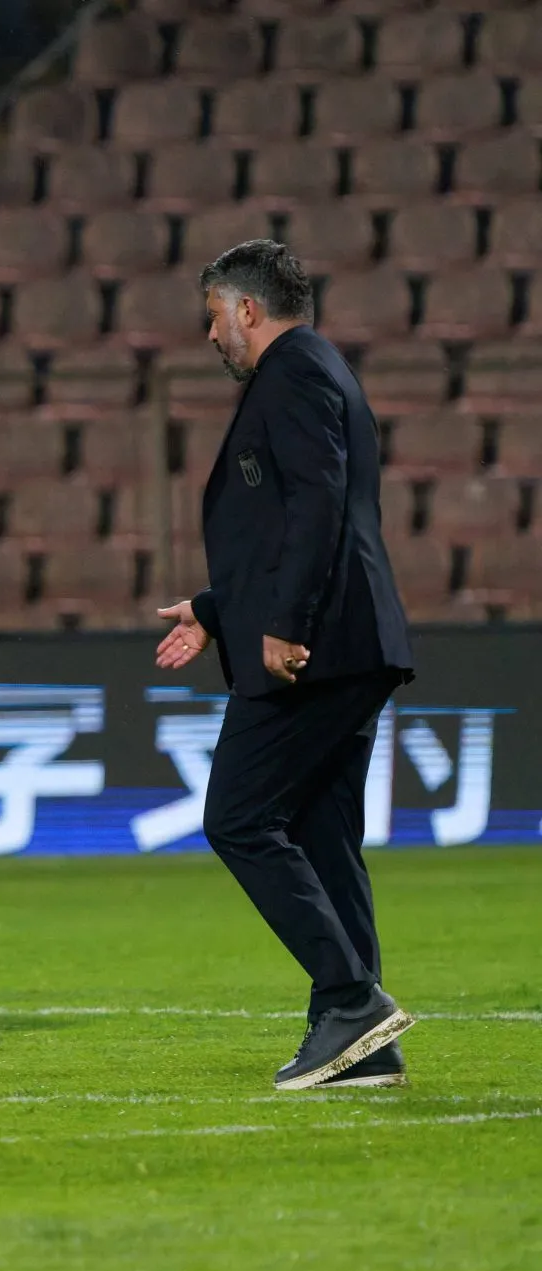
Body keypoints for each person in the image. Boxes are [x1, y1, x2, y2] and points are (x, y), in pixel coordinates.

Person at [156, 240, 416, 1091]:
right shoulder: (320, 367)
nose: (211, 337)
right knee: (323, 833)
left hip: (317, 645)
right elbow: (283, 527)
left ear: (247, 310)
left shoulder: (293, 375)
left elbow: (317, 502)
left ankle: (351, 1001)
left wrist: (284, 623)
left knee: (237, 816)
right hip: (348, 640)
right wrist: (215, 608)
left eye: (213, 318)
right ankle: (362, 1039)